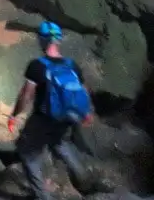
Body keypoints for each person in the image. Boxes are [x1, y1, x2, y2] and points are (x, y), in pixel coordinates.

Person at [8, 21, 103, 200]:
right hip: (67, 116)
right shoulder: (71, 65)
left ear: (43, 40)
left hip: (44, 118)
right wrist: (86, 112)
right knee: (59, 143)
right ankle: (84, 178)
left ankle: (43, 196)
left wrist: (14, 114)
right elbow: (84, 91)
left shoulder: (37, 66)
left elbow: (26, 95)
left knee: (27, 153)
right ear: (58, 40)